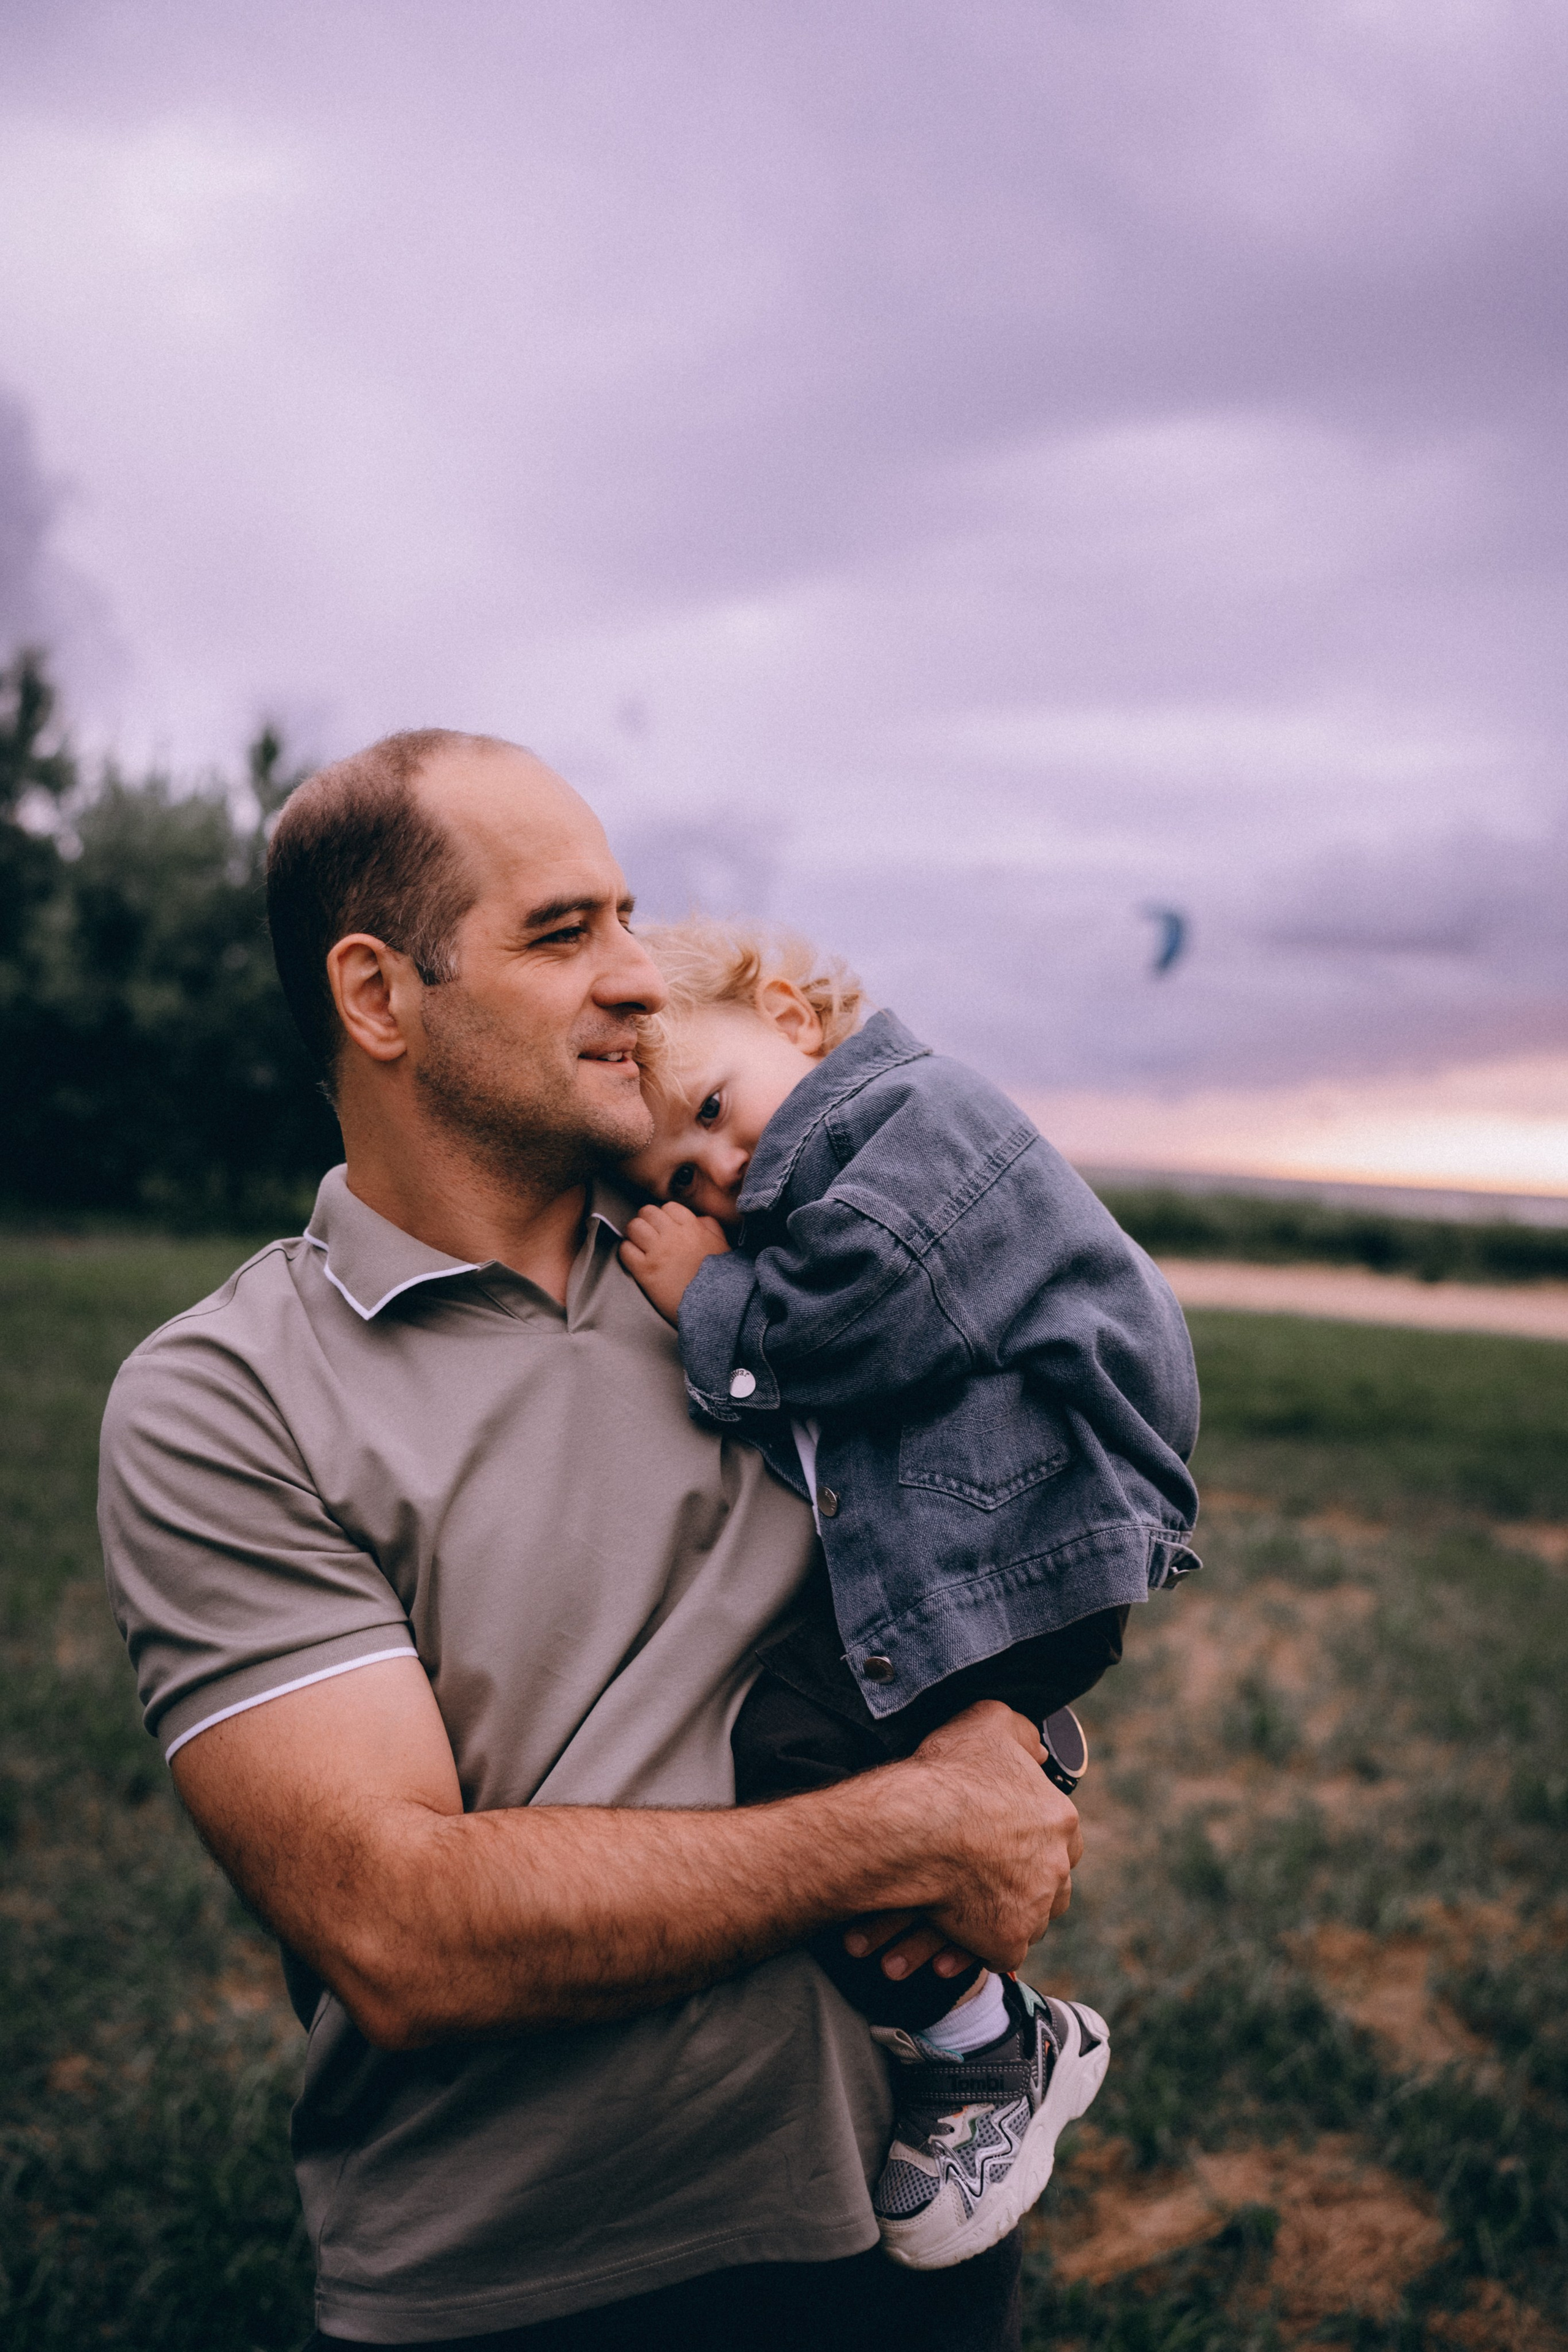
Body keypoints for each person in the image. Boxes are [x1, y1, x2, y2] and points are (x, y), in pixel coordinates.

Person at [97, 728, 1084, 2352]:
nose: (635, 977)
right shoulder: (223, 1399)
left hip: (898, 2232)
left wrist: (1018, 1749)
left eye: (626, 919)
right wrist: (913, 1827)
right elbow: (399, 1930)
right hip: (509, 2285)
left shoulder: (772, 1282)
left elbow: (1000, 1567)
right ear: (377, 995)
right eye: (565, 934)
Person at [617, 918, 1200, 2272]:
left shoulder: (906, 1116)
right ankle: (1014, 1798)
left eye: (713, 1110)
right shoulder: (833, 1158)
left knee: (797, 1755)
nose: (723, 1171)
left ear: (791, 1017)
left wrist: (709, 1298)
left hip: (1021, 1540)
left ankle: (990, 2051)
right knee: (823, 1771)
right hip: (995, 1549)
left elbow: (867, 1310)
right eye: (686, 1177)